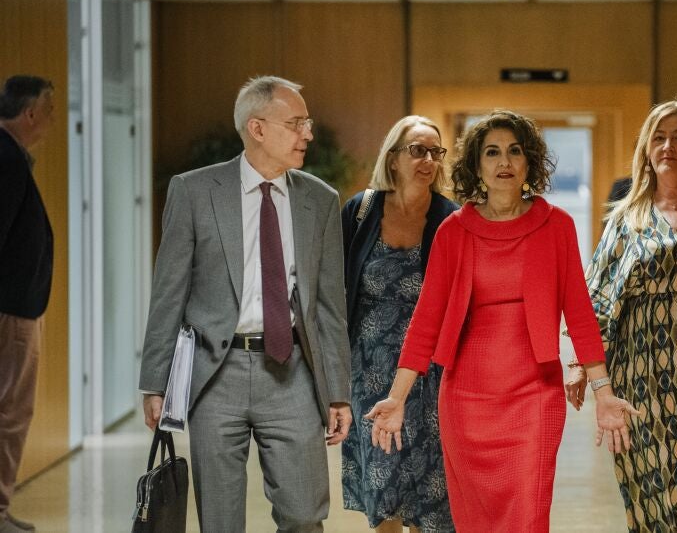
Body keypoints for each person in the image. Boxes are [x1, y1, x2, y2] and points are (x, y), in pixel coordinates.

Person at [365, 109, 640, 532]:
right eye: (492, 152)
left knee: (528, 518)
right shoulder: (453, 232)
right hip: (465, 401)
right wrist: (397, 398)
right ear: (477, 166)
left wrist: (603, 392)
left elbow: (581, 314)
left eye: (514, 151)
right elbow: (426, 321)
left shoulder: (556, 226)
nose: (504, 161)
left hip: (535, 396)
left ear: (529, 162)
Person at [138, 76, 352, 532]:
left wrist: (338, 392)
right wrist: (155, 383)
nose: (308, 134)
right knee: (220, 521)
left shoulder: (320, 200)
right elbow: (168, 292)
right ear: (257, 128)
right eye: (296, 123)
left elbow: (330, 307)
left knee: (305, 515)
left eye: (308, 123)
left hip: (293, 372)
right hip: (216, 375)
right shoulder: (194, 191)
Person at [566, 100, 677, 532]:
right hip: (643, 383)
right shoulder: (626, 219)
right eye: (659, 138)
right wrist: (582, 367)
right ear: (646, 149)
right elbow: (596, 301)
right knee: (655, 503)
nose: (668, 146)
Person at [340, 116, 457, 533]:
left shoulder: (451, 219)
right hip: (369, 367)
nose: (428, 160)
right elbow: (336, 290)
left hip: (431, 370)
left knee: (431, 482)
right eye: (417, 150)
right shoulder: (361, 210)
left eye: (435, 152)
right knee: (383, 476)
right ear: (392, 158)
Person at [0, 75, 56, 533]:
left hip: (16, 308)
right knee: (10, 414)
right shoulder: (7, 160)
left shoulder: (10, 156)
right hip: (11, 311)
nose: (53, 121)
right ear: (30, 113)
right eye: (49, 111)